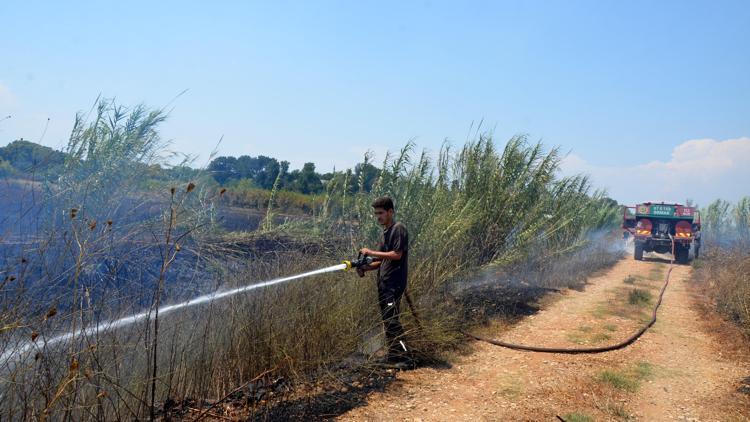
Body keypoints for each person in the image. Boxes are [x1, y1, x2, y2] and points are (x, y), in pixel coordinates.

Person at [357, 196, 410, 365]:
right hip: (384, 285)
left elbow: (397, 254)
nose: (378, 217)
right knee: (388, 321)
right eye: (376, 214)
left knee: (393, 321)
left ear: (390, 212)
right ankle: (394, 356)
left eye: (381, 213)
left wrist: (371, 252)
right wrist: (364, 267)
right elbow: (380, 261)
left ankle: (407, 357)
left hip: (394, 285)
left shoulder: (398, 229)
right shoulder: (385, 233)